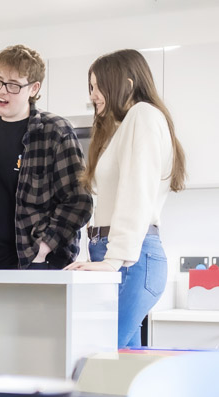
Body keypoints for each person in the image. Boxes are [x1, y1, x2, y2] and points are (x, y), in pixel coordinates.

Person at [65, 49, 186, 348]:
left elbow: (137, 191)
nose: (93, 95)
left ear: (128, 85)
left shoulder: (142, 115)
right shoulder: (122, 129)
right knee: (120, 372)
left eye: (98, 86)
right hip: (121, 255)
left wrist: (113, 259)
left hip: (131, 258)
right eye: (90, 87)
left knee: (95, 360)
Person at [0, 44, 92, 270]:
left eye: (13, 85)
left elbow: (79, 201)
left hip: (30, 265)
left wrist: (42, 249)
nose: (2, 91)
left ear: (33, 89)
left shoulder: (55, 131)